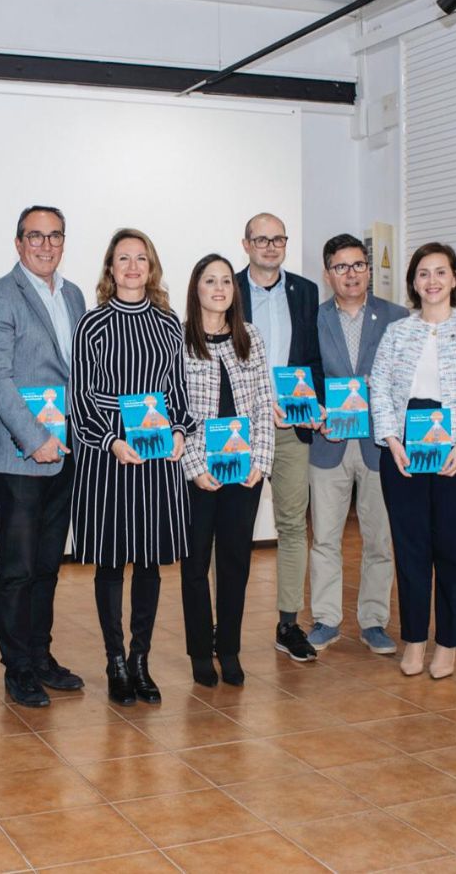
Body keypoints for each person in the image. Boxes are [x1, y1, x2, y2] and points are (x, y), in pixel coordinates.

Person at [70, 228, 194, 705]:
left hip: (158, 460)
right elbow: (80, 398)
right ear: (110, 268)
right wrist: (112, 440)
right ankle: (115, 660)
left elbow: (178, 392)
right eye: (123, 258)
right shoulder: (92, 324)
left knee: (149, 563)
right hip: (111, 460)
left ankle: (141, 660)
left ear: (152, 266)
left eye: (141, 258)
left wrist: (181, 431)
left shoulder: (168, 324)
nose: (133, 266)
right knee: (110, 564)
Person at [0, 206, 87, 708]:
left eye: (54, 236)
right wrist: (34, 436)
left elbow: (80, 374)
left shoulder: (76, 295)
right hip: (20, 455)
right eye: (35, 236)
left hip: (66, 452)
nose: (45, 245)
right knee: (17, 567)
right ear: (18, 243)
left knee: (47, 564)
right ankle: (16, 667)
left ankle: (41, 656)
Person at [370, 242, 456, 680]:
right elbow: (379, 386)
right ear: (414, 282)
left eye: (441, 272)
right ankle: (415, 640)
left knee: (452, 552)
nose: (432, 281)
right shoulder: (397, 332)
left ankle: (447, 644)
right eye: (423, 273)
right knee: (410, 551)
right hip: (404, 453)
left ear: (455, 278)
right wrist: (391, 438)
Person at [307, 234, 407, 653]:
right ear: (328, 273)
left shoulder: (397, 317)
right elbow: (303, 377)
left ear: (369, 269)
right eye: (341, 266)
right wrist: (312, 410)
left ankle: (374, 621)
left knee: (379, 539)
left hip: (378, 443)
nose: (351, 274)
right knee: (325, 537)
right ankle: (326, 619)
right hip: (328, 441)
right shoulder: (311, 319)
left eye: (359, 265)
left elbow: (406, 380)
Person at [234, 213, 326, 662]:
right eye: (261, 239)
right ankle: (222, 625)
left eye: (278, 239)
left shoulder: (306, 291)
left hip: (291, 426)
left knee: (293, 525)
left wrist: (317, 404)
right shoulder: (226, 288)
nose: (270, 246)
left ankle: (288, 623)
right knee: (231, 530)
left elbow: (315, 357)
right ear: (246, 243)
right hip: (240, 428)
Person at [180, 253, 275, 687]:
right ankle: (201, 650)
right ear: (195, 289)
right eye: (209, 281)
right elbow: (173, 410)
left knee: (235, 561)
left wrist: (261, 463)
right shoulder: (178, 340)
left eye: (225, 281)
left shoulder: (250, 337)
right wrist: (194, 465)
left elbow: (262, 402)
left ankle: (229, 648)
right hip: (197, 471)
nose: (219, 288)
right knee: (196, 563)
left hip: (244, 470)